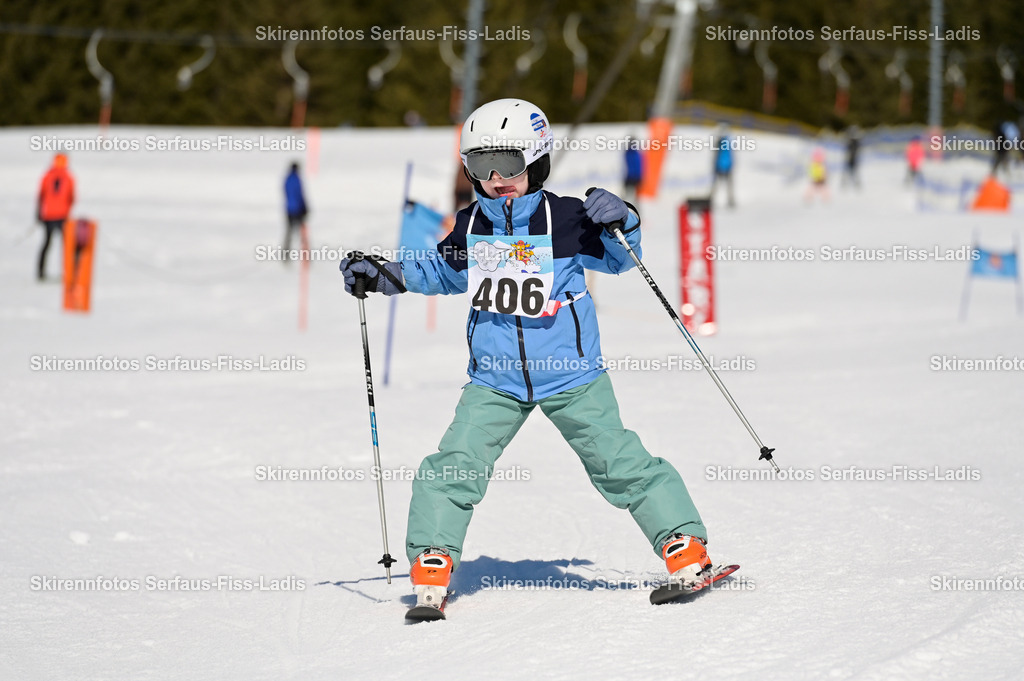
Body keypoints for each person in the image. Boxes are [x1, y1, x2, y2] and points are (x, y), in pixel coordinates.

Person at [340, 99, 711, 612]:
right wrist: (385, 274)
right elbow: (443, 271)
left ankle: (683, 546)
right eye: (480, 166)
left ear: (536, 162)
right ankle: (432, 560)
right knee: (454, 465)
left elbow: (623, 259)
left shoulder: (566, 218)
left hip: (572, 373)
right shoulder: (472, 224)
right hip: (495, 379)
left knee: (617, 461)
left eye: (509, 164)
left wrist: (624, 218)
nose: (496, 178)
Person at [36, 153, 75, 281]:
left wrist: (39, 213)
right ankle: (69, 272)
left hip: (48, 215)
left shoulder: (47, 176)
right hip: (62, 216)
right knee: (66, 246)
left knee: (47, 243)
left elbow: (40, 195)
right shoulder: (68, 177)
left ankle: (40, 272)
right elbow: (72, 197)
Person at [283, 162, 308, 260]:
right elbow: (299, 195)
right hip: (298, 210)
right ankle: (305, 256)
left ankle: (285, 255)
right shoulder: (296, 179)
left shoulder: (287, 179)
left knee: (289, 233)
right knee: (302, 233)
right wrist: (304, 207)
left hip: (289, 210)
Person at [709, 123, 735, 208]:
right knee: (727, 184)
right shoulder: (728, 142)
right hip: (727, 166)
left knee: (717, 184)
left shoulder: (720, 142)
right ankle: (730, 200)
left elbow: (716, 155)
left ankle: (712, 200)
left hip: (720, 166)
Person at [622, 136, 642, 204]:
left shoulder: (630, 152)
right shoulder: (635, 153)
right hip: (632, 176)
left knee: (629, 197)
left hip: (632, 177)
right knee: (631, 197)